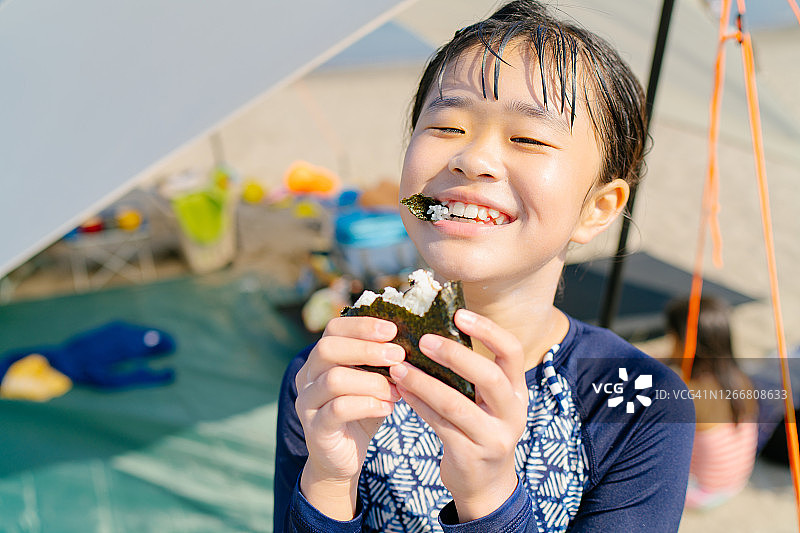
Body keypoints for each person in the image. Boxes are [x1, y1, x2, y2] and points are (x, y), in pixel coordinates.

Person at [274, 1, 695, 531]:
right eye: (447, 126)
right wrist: (330, 481)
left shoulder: (638, 399)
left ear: (596, 209)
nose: (471, 159)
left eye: (527, 138)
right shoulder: (326, 375)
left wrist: (491, 496)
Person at [665, 297, 758, 510]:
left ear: (686, 343)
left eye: (671, 339)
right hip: (735, 483)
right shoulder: (739, 378)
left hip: (703, 492)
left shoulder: (688, 395)